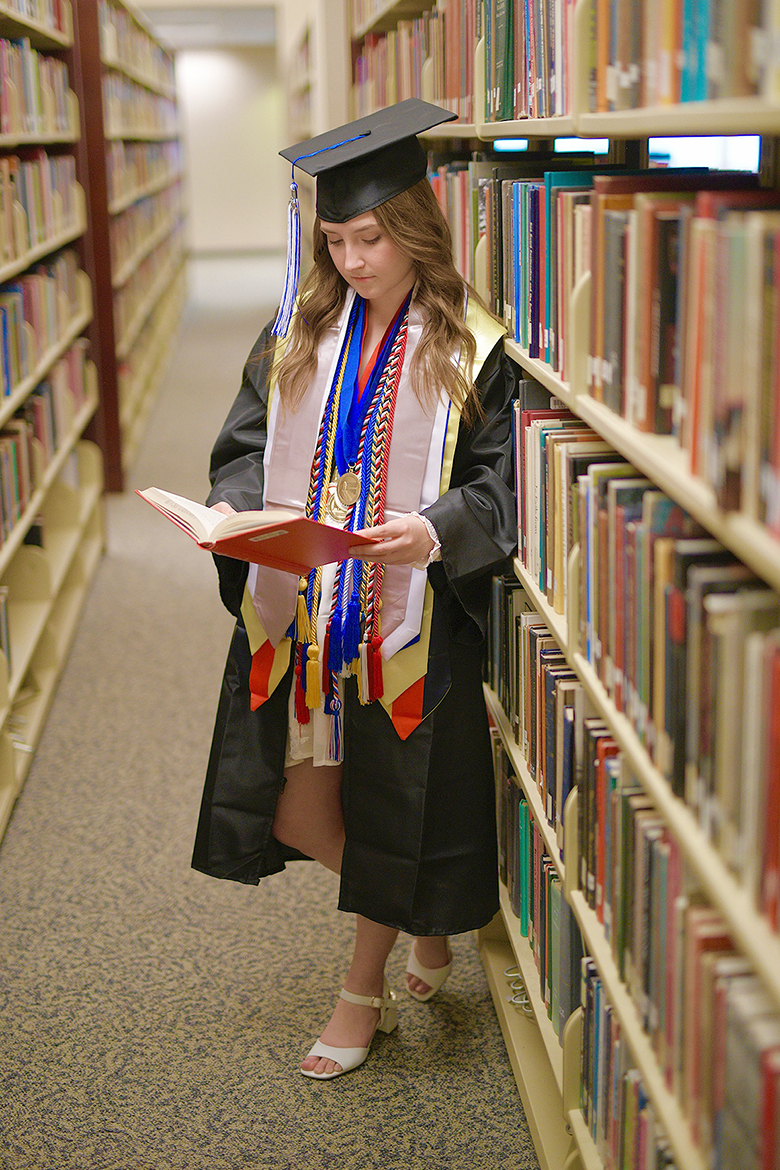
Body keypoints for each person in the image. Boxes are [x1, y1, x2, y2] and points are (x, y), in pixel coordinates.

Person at [192, 99, 518, 1079]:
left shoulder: (472, 351)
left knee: (386, 800)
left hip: (408, 625)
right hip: (304, 616)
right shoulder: (298, 332)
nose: (350, 261)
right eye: (333, 240)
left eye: (369, 237)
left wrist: (434, 530)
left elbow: (503, 485)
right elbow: (244, 449)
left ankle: (360, 988)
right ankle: (418, 911)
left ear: (415, 225)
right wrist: (233, 513)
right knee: (299, 807)